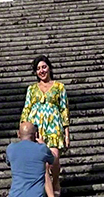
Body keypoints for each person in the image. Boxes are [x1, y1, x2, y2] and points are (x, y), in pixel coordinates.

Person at [19, 56, 68, 197]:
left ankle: (56, 180)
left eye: (44, 67)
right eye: (38, 68)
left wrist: (67, 133)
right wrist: (22, 127)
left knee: (54, 159)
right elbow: (26, 109)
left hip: (54, 126)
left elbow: (64, 109)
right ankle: (49, 192)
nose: (42, 71)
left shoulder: (59, 87)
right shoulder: (32, 89)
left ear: (49, 68)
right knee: (42, 163)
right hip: (36, 128)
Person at [6, 119, 58, 197]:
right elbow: (54, 159)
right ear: (36, 135)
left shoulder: (10, 148)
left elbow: (9, 162)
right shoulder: (42, 149)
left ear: (18, 134)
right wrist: (44, 144)